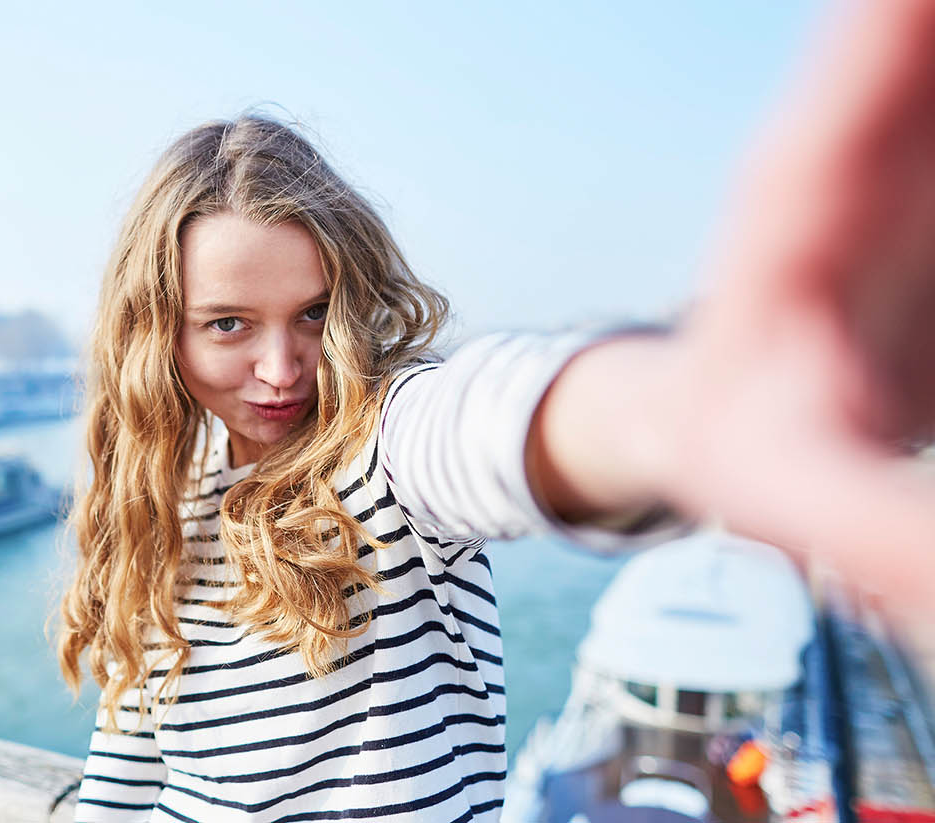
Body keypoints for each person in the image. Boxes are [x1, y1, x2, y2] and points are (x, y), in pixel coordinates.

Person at [57, 2, 935, 820]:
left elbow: (485, 421)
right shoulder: (161, 508)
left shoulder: (384, 450)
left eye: (315, 312)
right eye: (228, 325)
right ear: (158, 336)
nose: (283, 368)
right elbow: (122, 782)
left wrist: (688, 407)